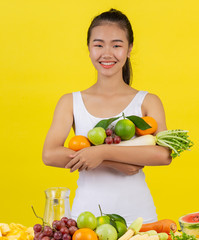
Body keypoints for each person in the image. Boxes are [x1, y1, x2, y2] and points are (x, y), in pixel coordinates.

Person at [42, 8, 172, 224]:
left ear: (129, 49)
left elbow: (164, 155)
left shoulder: (148, 101)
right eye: (99, 44)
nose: (107, 53)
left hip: (140, 218)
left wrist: (103, 151)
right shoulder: (70, 102)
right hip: (86, 220)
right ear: (89, 48)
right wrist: (110, 161)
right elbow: (50, 154)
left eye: (117, 45)